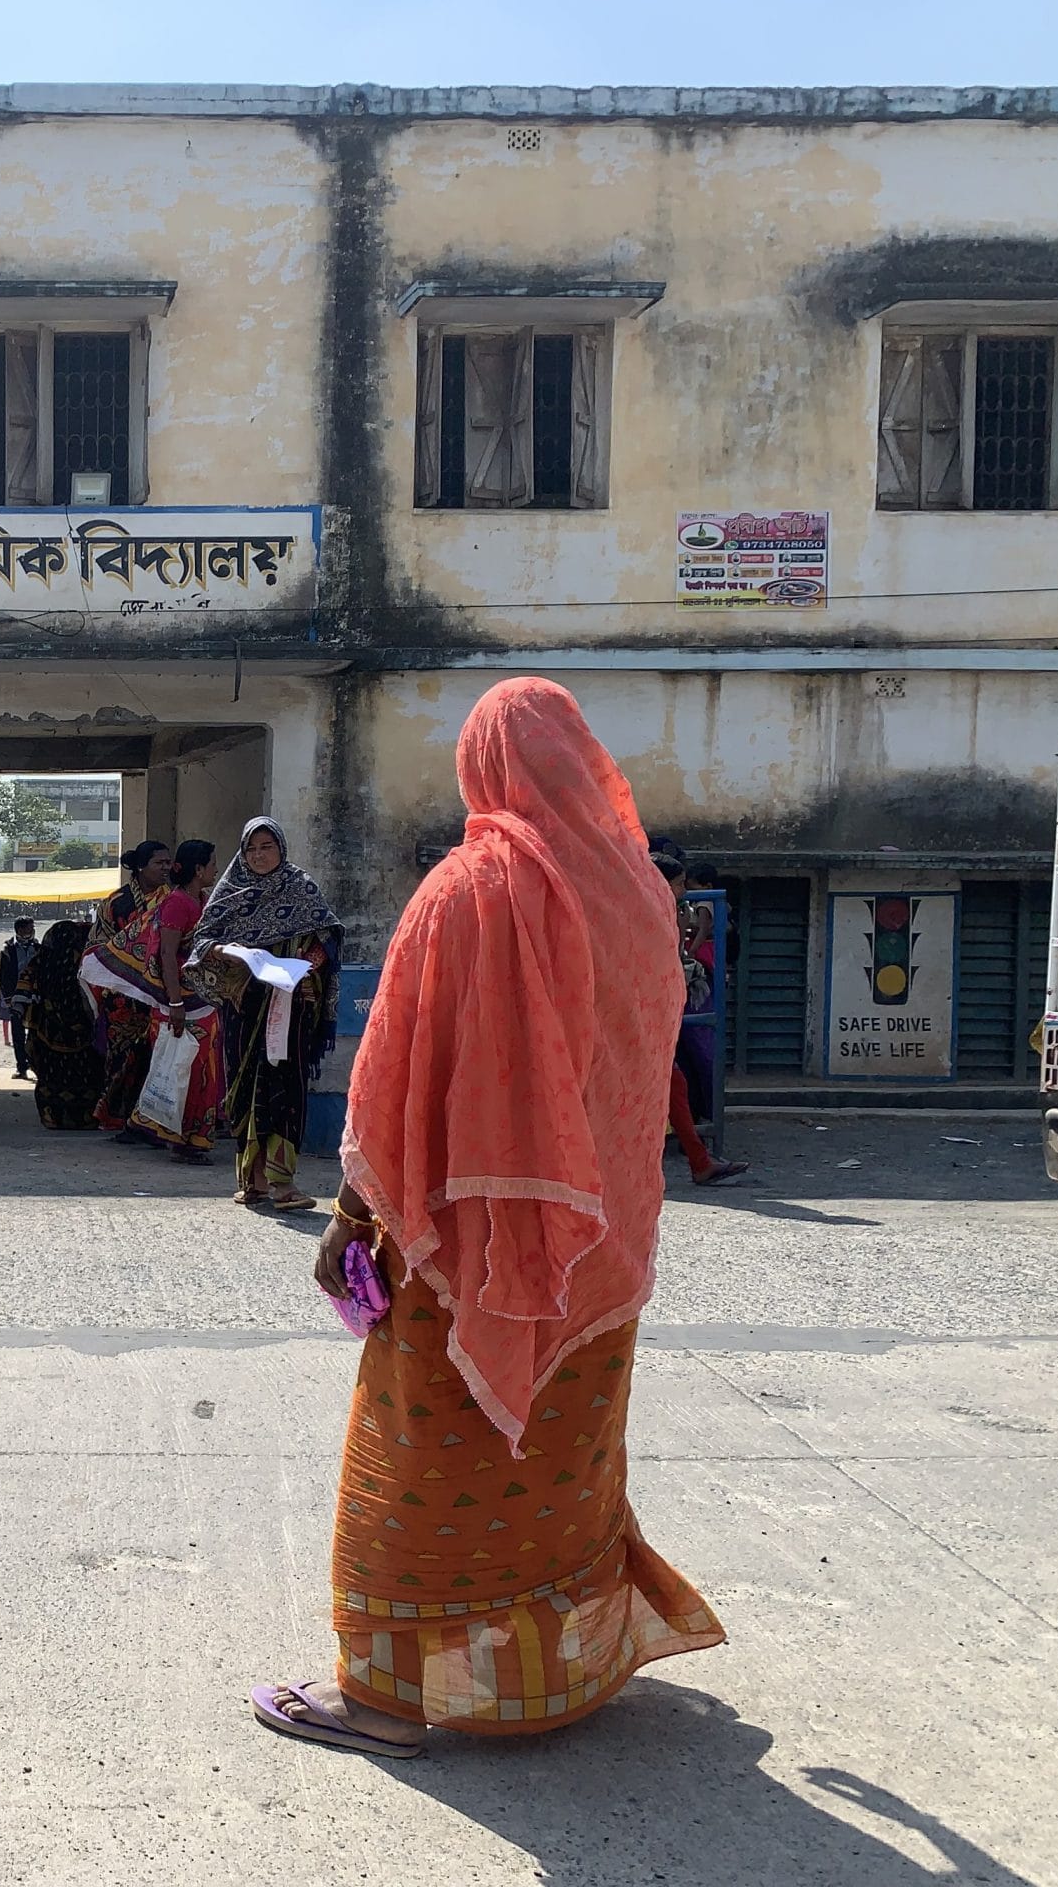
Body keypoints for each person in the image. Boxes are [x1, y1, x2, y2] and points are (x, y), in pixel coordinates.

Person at [253, 676, 725, 1757]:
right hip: (596, 1249)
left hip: (462, 1251)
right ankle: (552, 1679)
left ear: (482, 768)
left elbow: (397, 1083)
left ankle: (380, 1701)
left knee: (426, 1458)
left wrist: (348, 1219)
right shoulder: (640, 897)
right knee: (557, 1467)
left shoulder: (467, 891)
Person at [189, 818, 343, 1211]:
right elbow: (202, 940)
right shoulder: (229, 891)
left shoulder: (301, 888)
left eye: (266, 847)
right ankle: (252, 1180)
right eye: (252, 848)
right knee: (243, 1088)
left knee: (283, 1089)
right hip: (243, 1007)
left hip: (288, 1009)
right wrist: (226, 951)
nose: (259, 856)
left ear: (281, 848)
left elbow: (326, 938)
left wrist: (305, 966)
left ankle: (282, 1182)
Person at [122, 840, 226, 1162]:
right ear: (198, 869)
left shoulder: (204, 901)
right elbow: (167, 955)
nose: (215, 870)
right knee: (186, 1073)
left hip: (204, 1002)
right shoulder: (178, 904)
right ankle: (183, 1141)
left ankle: (196, 1138)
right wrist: (176, 1004)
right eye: (211, 865)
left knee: (204, 1073)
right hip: (181, 1005)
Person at [655, 849, 746, 1186]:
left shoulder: (663, 914)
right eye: (679, 886)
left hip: (650, 1022)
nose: (683, 893)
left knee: (674, 1086)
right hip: (635, 1023)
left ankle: (699, 1160)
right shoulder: (649, 917)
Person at [83, 840, 173, 1138]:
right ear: (141, 866)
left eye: (168, 862)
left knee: (159, 1059)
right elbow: (96, 946)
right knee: (121, 1060)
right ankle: (120, 1119)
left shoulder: (172, 899)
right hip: (122, 998)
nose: (166, 868)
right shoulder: (115, 903)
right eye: (159, 863)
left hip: (160, 995)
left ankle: (152, 1121)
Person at [20, 918, 104, 1131]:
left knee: (51, 1077)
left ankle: (52, 1117)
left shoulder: (42, 960)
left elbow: (22, 990)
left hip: (48, 1034)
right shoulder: (85, 964)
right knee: (86, 1076)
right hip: (82, 1036)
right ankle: (86, 1117)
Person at [0, 917, 38, 1079]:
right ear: (19, 930)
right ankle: (22, 1067)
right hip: (16, 998)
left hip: (35, 997)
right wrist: (7, 997)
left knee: (35, 1033)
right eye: (29, 927)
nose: (32, 930)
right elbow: (4, 975)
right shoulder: (8, 950)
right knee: (18, 1034)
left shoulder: (38, 948)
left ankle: (36, 1065)